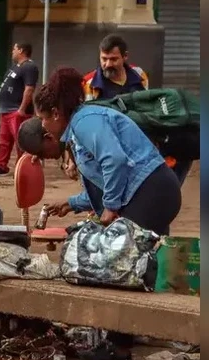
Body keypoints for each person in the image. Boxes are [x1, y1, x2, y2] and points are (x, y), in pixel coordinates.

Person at [16, 67, 181, 236]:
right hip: (150, 191)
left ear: (56, 114)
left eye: (43, 118)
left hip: (151, 190)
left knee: (121, 256)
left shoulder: (84, 121)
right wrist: (71, 203)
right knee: (146, 257)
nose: (42, 124)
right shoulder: (79, 128)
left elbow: (114, 159)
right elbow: (108, 183)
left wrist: (110, 207)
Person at [82, 34, 194, 185]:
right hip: (112, 147)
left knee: (184, 151)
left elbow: (149, 107)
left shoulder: (139, 75)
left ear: (125, 57)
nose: (108, 64)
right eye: (104, 59)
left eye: (113, 59)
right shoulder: (90, 84)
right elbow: (89, 123)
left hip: (142, 141)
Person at [0, 42, 39, 175]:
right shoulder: (16, 67)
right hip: (5, 110)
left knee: (21, 142)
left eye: (14, 49)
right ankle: (1, 166)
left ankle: (24, 169)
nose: (12, 51)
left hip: (16, 111)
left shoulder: (29, 67)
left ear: (21, 50)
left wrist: (21, 109)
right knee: (4, 141)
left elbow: (29, 89)